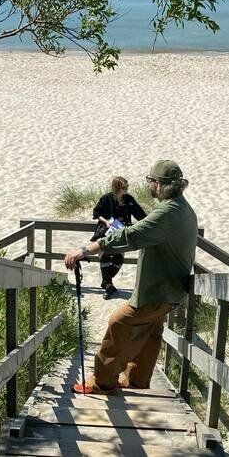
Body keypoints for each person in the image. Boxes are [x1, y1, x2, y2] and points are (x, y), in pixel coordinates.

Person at [64, 160, 197, 394]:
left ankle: (102, 382)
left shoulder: (167, 213)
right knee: (150, 331)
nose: (149, 186)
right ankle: (137, 379)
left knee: (119, 323)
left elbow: (130, 236)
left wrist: (86, 250)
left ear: (158, 184)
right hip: (172, 290)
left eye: (150, 181)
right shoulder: (183, 208)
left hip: (158, 290)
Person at [91, 176, 146, 299]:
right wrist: (106, 222)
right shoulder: (106, 198)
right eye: (123, 188)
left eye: (127, 187)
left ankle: (106, 282)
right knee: (104, 257)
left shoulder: (129, 200)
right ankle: (109, 286)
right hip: (106, 231)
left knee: (118, 260)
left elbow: (140, 214)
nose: (126, 190)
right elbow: (96, 213)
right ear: (117, 188)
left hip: (122, 232)